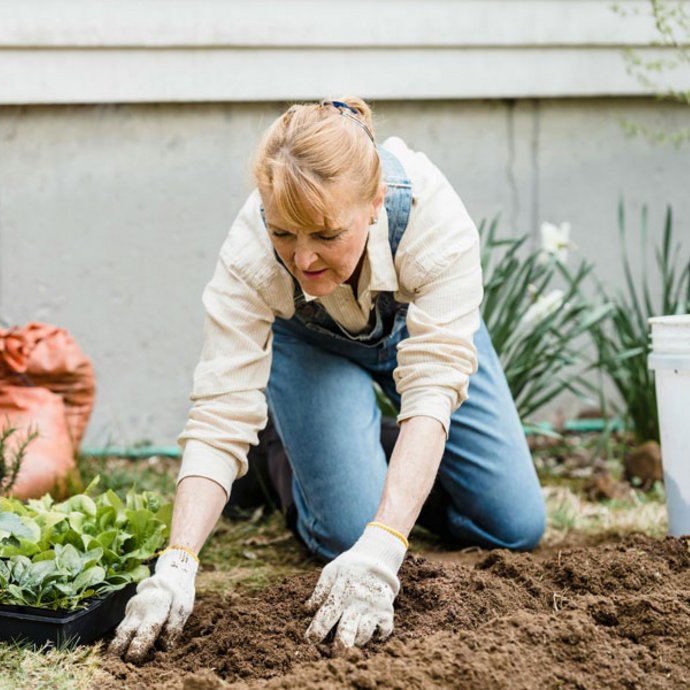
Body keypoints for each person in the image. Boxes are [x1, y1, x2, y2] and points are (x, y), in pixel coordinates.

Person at [109, 97, 547, 662]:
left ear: (373, 203)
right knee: (346, 535)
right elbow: (220, 413)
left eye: (324, 233)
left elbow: (433, 389)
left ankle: (348, 446)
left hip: (420, 335)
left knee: (514, 525)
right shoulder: (250, 257)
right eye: (284, 233)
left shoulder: (434, 221)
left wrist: (387, 543)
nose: (304, 258)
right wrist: (177, 564)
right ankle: (279, 454)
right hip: (310, 346)